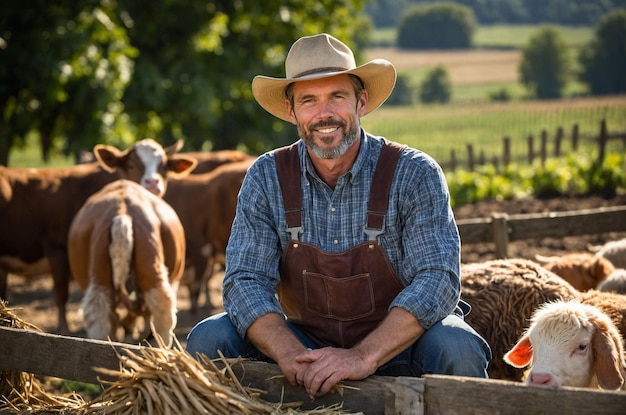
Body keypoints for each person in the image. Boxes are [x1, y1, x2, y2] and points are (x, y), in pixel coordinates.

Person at [186, 33, 491, 398]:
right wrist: (291, 353)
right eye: (309, 100)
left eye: (337, 96)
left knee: (456, 345)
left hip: (399, 344)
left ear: (361, 102)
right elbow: (244, 281)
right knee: (210, 336)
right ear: (291, 111)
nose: (324, 114)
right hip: (303, 343)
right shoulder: (267, 177)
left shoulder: (414, 172)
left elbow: (438, 279)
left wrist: (362, 356)